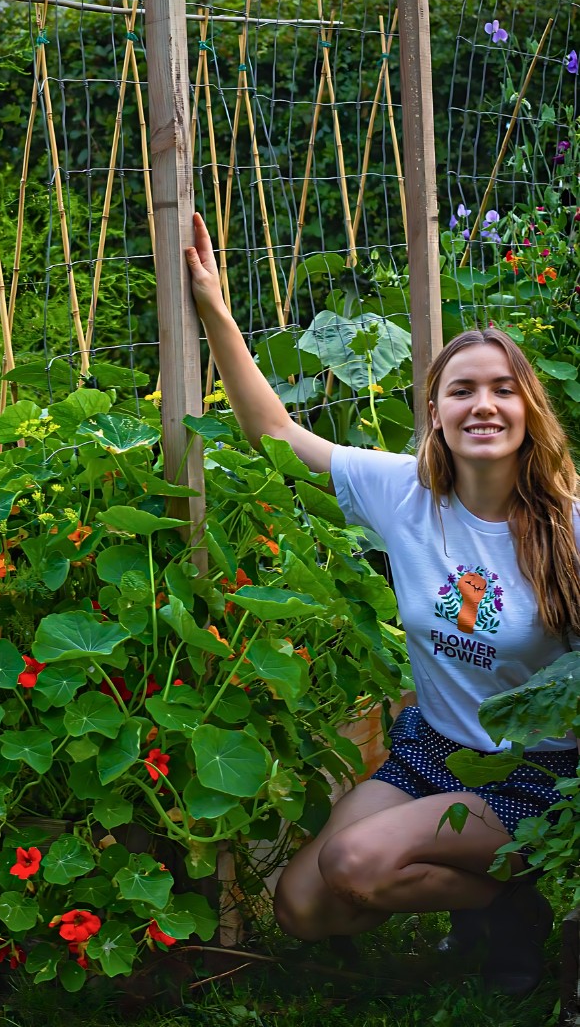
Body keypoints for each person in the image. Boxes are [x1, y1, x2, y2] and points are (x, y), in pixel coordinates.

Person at [185, 212, 580, 995]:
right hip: (432, 753)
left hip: (538, 777)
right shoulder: (404, 491)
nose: (484, 406)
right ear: (435, 412)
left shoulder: (570, 525)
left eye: (504, 390)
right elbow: (275, 435)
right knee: (303, 903)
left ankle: (516, 914)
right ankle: (500, 902)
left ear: (530, 410)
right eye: (462, 391)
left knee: (355, 863)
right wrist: (215, 313)